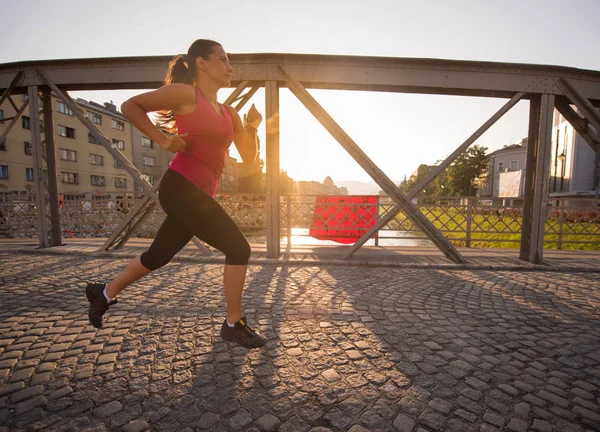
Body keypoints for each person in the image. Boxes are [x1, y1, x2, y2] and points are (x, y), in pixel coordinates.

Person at [86, 39, 266, 349]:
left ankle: (102, 293)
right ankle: (233, 324)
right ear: (201, 63)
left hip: (197, 192)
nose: (230, 67)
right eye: (223, 59)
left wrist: (253, 127)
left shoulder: (229, 113)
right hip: (180, 186)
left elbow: (249, 157)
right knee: (239, 248)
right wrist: (162, 139)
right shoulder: (187, 94)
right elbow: (131, 105)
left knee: (158, 256)